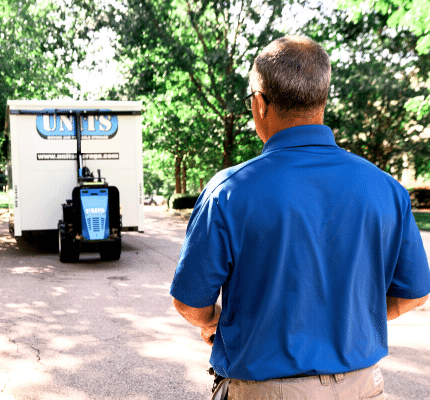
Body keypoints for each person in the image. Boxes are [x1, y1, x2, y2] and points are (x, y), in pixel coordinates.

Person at [169, 35, 430, 400]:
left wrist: (214, 321)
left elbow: (190, 303)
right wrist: (347, 321)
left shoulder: (229, 191)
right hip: (364, 388)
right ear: (321, 99)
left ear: (260, 104)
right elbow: (413, 294)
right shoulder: (386, 189)